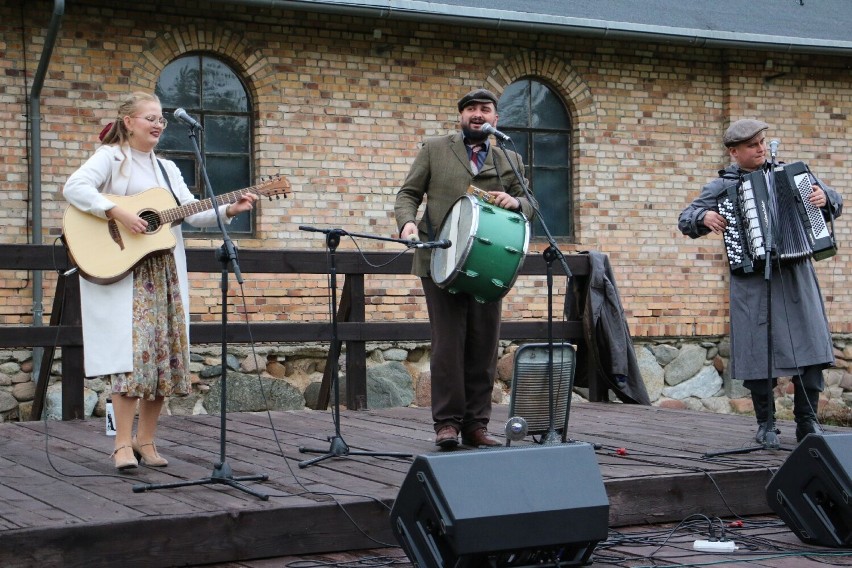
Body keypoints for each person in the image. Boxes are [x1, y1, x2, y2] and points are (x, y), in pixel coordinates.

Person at [63, 92, 257, 470]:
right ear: (129, 121)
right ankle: (120, 445)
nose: (158, 125)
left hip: (164, 271)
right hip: (127, 272)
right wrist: (117, 211)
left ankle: (146, 441)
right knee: (131, 359)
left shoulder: (167, 169)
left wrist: (228, 209)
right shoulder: (110, 158)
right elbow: (75, 188)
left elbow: (189, 213)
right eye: (150, 117)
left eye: (161, 120)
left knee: (164, 357)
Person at [678, 119, 842, 443]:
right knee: (757, 351)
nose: (760, 149)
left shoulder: (795, 174)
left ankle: (807, 422)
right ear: (733, 152)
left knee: (810, 347)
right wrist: (703, 217)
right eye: (752, 145)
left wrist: (826, 199)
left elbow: (834, 200)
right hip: (753, 281)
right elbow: (686, 218)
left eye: (762, 142)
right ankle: (766, 424)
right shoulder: (721, 186)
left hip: (796, 276)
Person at [394, 88, 536, 449]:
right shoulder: (435, 149)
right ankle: (447, 424)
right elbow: (408, 194)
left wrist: (516, 202)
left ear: (495, 119)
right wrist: (407, 224)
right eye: (471, 109)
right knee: (448, 345)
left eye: (485, 109)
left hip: (489, 264)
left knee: (484, 346)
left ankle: (476, 424)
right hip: (440, 260)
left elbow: (531, 203)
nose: (478, 114)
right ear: (461, 117)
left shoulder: (509, 159)